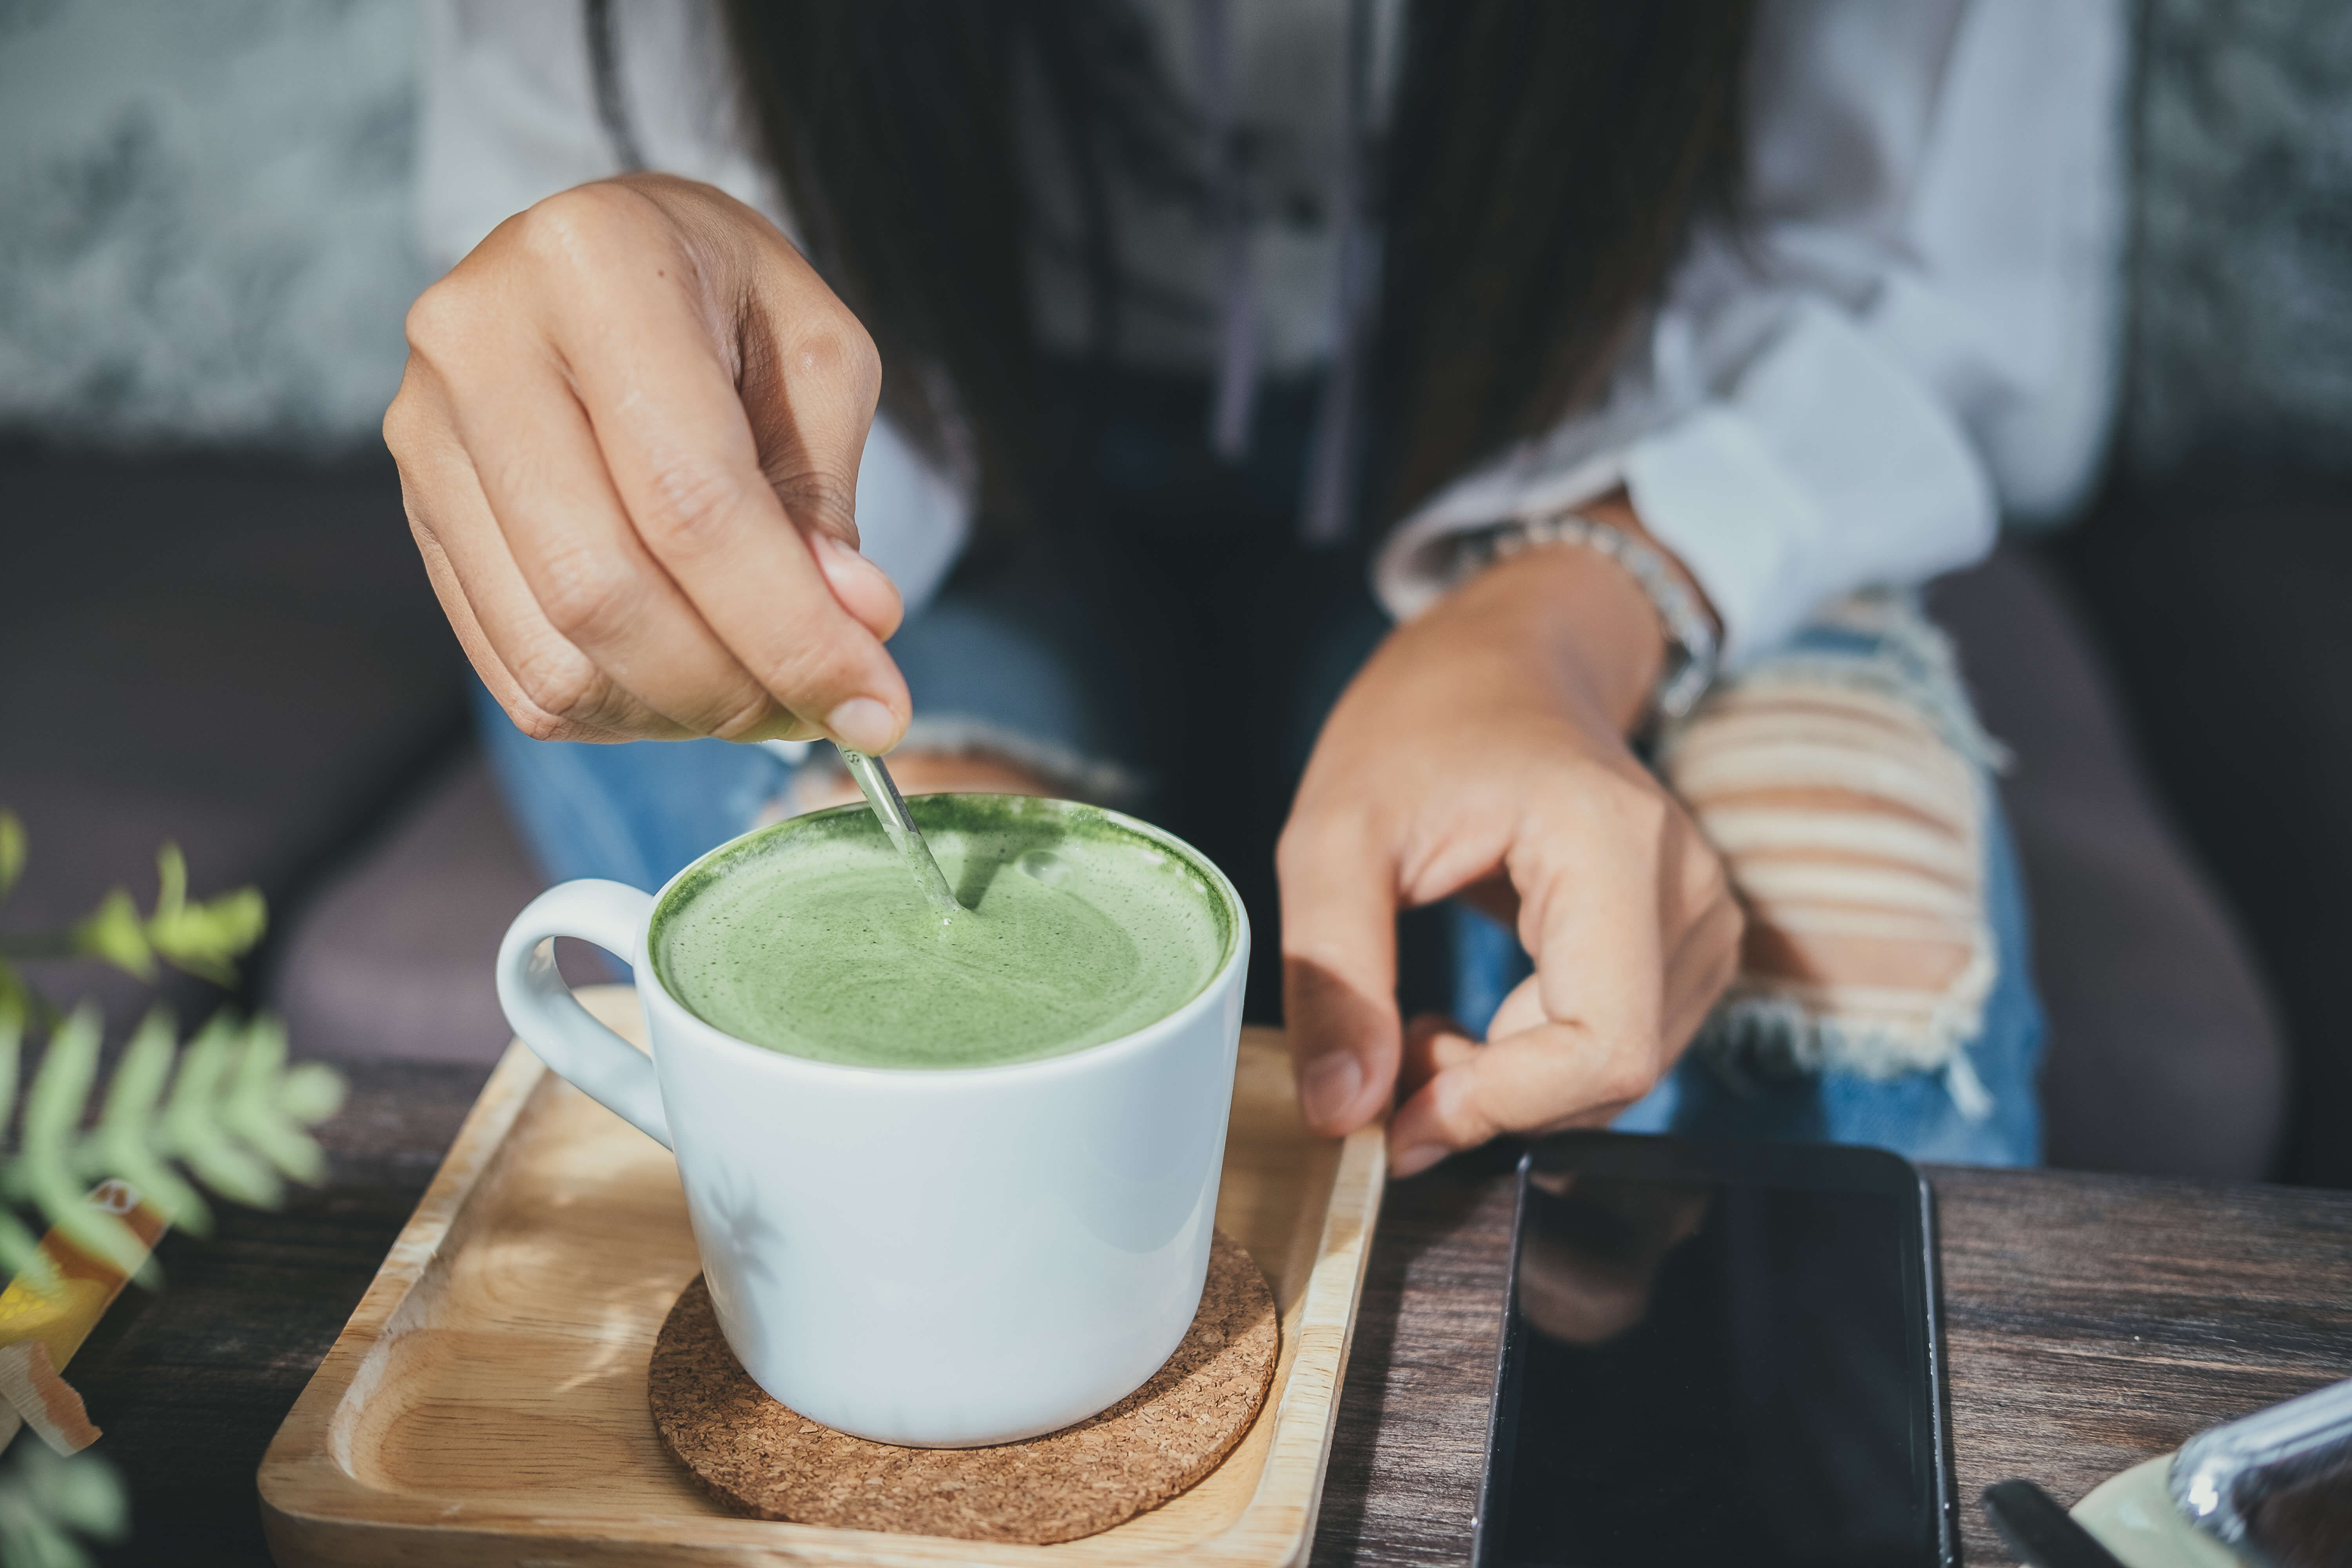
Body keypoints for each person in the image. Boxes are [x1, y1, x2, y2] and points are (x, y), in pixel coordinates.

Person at [391, 0, 2122, 1174]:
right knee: (900, 1066)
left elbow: (1927, 287)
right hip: (948, 475)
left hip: (1604, 422)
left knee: (1807, 1012)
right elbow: (655, 345)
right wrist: (664, 339)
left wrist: (1569, 603)